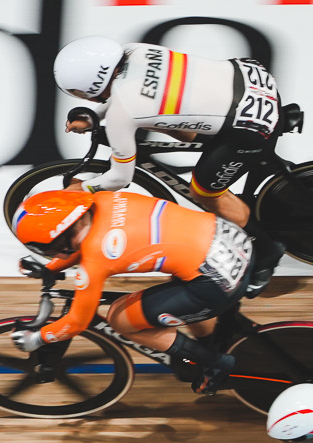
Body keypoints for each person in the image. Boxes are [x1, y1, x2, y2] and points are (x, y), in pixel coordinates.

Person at [52, 36, 288, 294]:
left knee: (205, 193)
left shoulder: (123, 114)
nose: (81, 97)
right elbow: (128, 90)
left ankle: (267, 253)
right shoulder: (135, 51)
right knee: (162, 112)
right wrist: (94, 116)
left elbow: (119, 179)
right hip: (250, 78)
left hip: (247, 126)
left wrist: (83, 189)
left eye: (77, 92)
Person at [10, 188, 250, 394]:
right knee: (179, 284)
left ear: (59, 239)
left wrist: (37, 338)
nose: (48, 253)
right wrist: (51, 268)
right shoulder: (104, 199)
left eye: (46, 249)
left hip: (215, 281)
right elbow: (79, 241)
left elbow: (76, 323)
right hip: (234, 242)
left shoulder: (96, 257)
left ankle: (214, 362)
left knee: (121, 318)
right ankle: (211, 342)